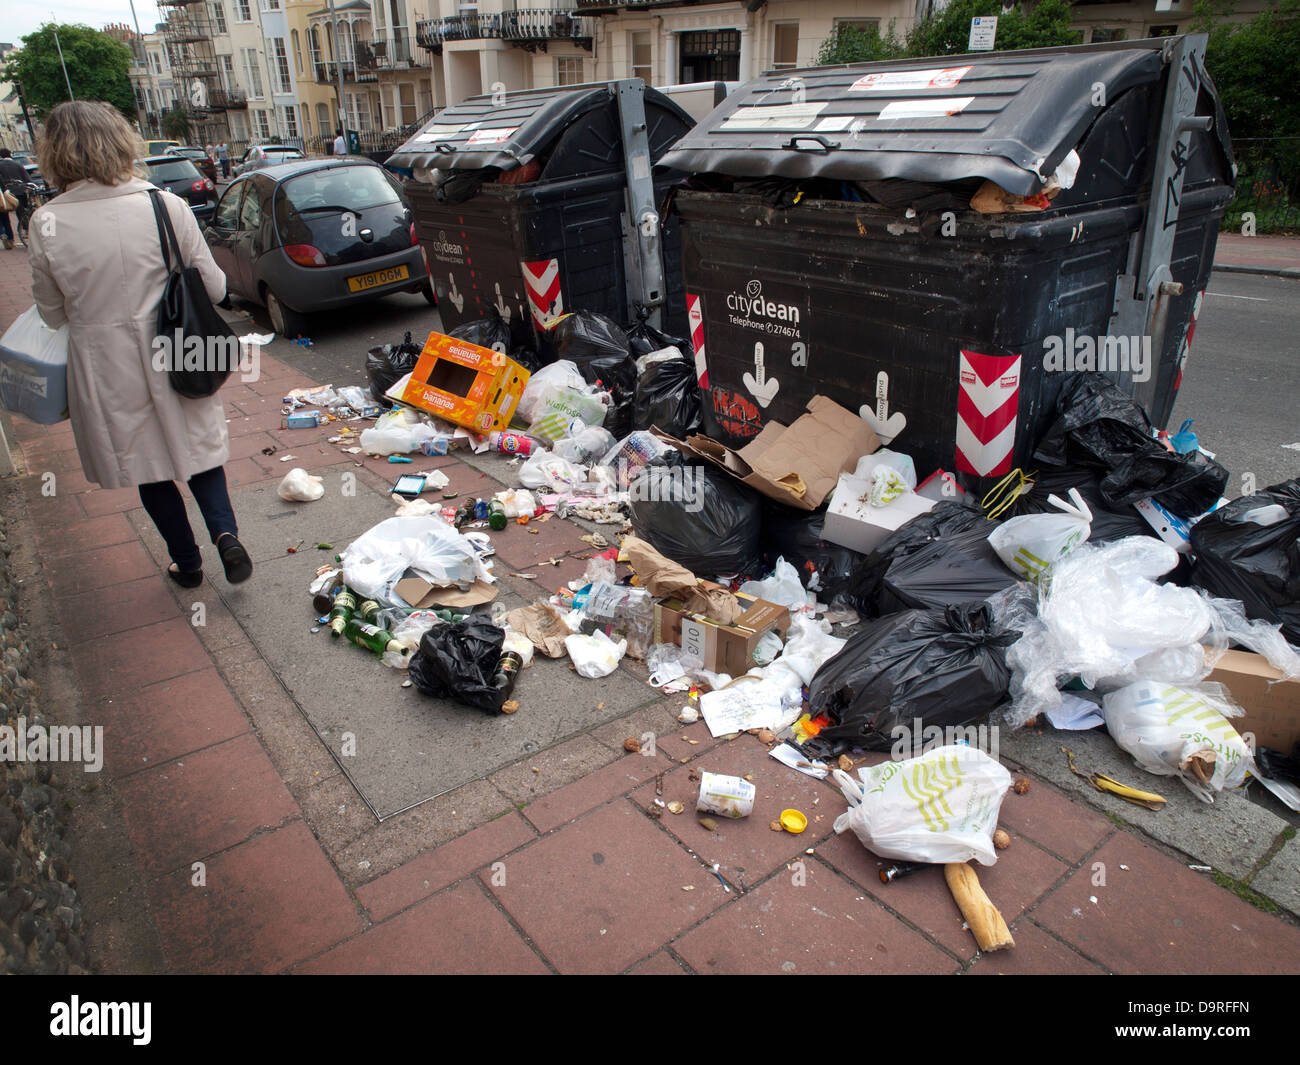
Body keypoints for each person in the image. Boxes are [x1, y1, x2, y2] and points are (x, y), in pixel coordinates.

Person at [26, 101, 252, 588]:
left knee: (147, 463)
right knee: (198, 452)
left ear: (54, 154)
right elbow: (213, 288)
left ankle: (187, 563)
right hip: (180, 350)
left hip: (105, 365)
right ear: (120, 140)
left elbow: (50, 312)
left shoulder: (45, 222)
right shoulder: (163, 204)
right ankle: (226, 535)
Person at [0, 148, 28, 250]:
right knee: (23, 210)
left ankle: (6, 234)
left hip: (8, 193)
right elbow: (26, 178)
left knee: (7, 214)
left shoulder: (1, 165)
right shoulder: (18, 164)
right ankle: (26, 228)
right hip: (21, 190)